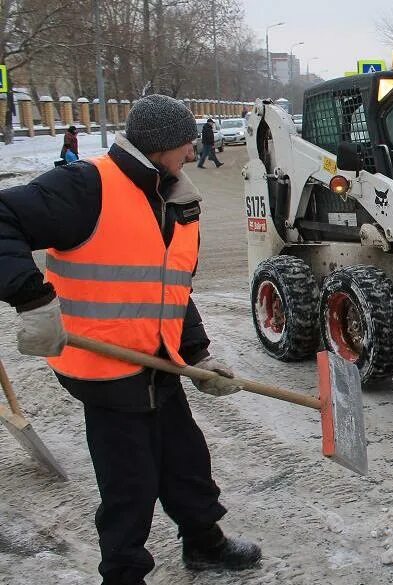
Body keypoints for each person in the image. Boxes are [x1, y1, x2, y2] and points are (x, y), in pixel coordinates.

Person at [0, 94, 261, 584]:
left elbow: (171, 290)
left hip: (156, 359)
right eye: (186, 144)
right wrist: (31, 298)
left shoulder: (174, 197)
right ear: (160, 145)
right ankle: (123, 574)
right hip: (104, 366)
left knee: (185, 458)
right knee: (130, 481)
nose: (192, 153)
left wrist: (198, 356)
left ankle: (204, 544)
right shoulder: (87, 186)